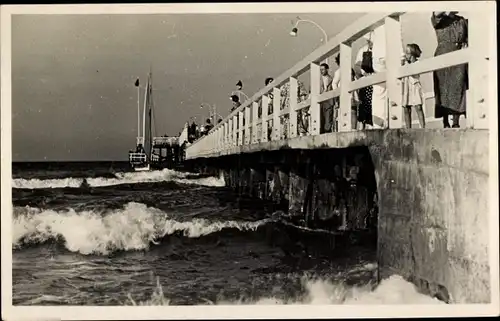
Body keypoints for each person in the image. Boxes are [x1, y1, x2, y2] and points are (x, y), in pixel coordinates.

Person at [432, 11, 468, 128]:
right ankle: (445, 121)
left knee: (458, 86)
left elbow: (468, 37)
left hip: (459, 54)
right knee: (443, 89)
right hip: (442, 54)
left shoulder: (462, 20)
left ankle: (456, 122)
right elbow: (436, 15)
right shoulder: (440, 19)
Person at [332, 54, 359, 130]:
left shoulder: (350, 69)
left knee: (353, 111)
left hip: (353, 94)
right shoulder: (339, 71)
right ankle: (345, 129)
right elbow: (334, 83)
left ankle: (353, 129)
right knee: (345, 113)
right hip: (344, 95)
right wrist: (337, 94)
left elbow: (355, 79)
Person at [402, 43, 426, 129]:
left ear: (412, 54)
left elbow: (414, 72)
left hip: (415, 85)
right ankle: (408, 129)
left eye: (407, 53)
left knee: (418, 107)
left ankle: (423, 127)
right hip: (407, 86)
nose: (405, 55)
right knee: (406, 108)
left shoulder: (417, 63)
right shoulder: (405, 64)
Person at [319, 63, 334, 133]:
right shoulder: (318, 80)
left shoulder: (331, 79)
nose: (321, 71)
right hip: (320, 103)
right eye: (320, 70)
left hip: (329, 102)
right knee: (320, 121)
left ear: (327, 69)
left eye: (323, 69)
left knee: (328, 122)